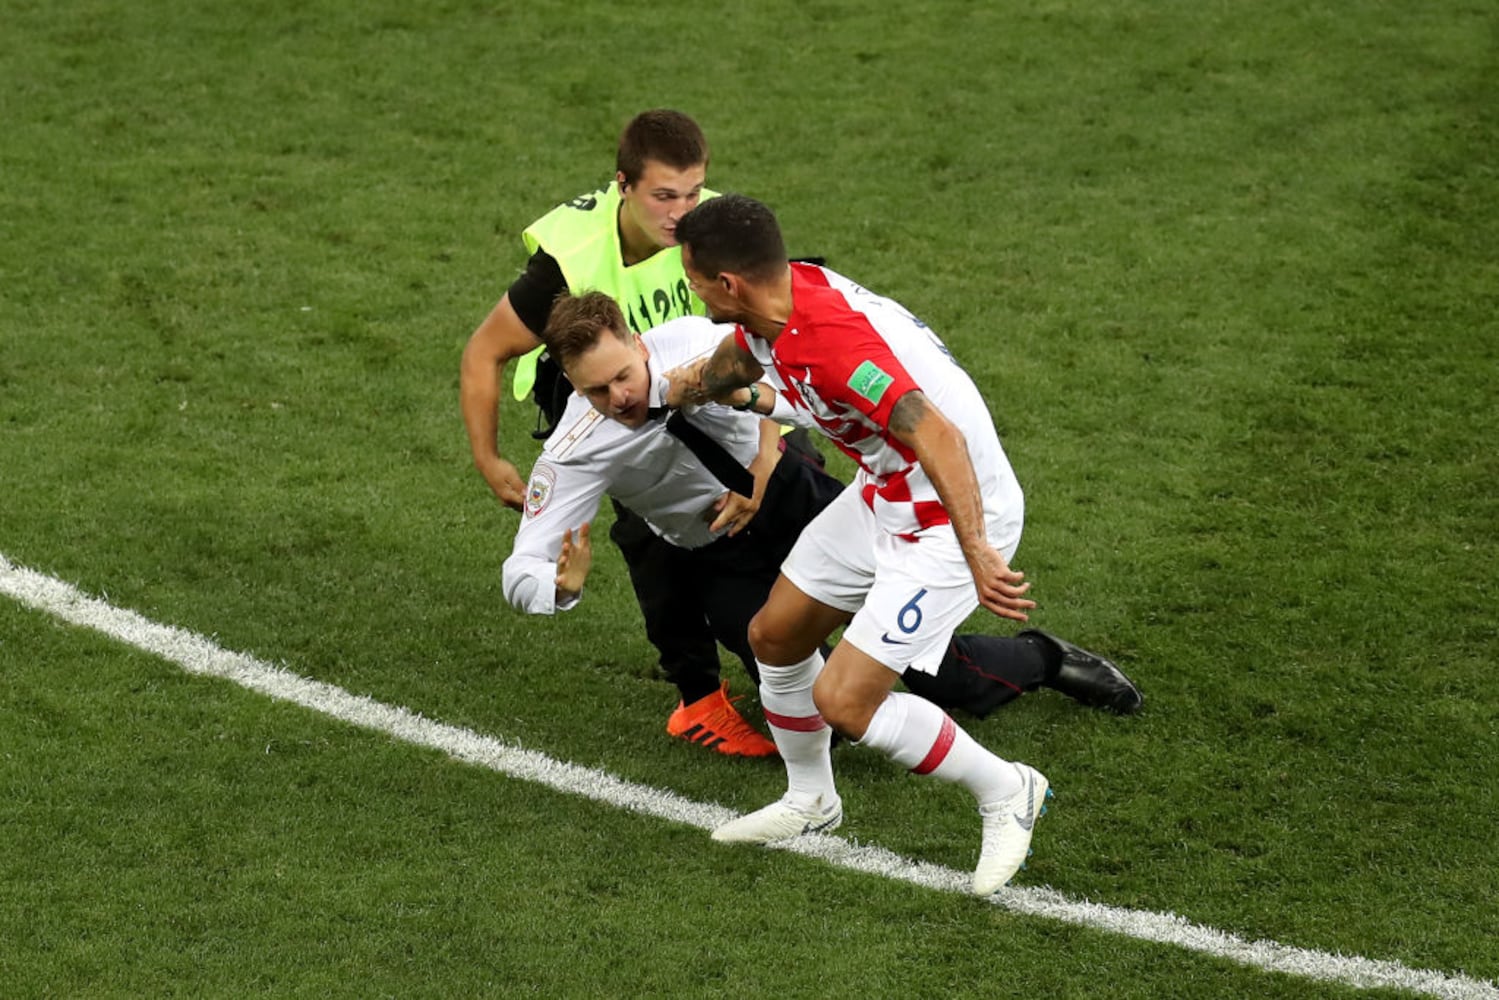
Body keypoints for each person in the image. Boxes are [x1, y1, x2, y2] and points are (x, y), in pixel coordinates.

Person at [665, 193, 1100, 893]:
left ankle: (1007, 789)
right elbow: (738, 360)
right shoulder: (777, 305)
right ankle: (812, 801)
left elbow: (938, 436)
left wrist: (979, 549)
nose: (689, 289)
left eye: (692, 279)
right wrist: (675, 388)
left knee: (844, 700)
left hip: (951, 516)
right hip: (886, 493)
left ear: (728, 285)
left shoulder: (832, 344)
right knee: (774, 637)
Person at [501, 292, 1141, 759]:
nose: (619, 399)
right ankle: (825, 778)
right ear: (572, 390)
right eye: (595, 392)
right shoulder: (572, 452)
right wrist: (561, 587)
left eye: (622, 376)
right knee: (817, 718)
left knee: (921, 670)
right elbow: (519, 570)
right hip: (715, 557)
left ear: (639, 344)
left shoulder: (699, 343)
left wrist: (762, 456)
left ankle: (1043, 659)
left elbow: (798, 388)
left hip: (796, 500)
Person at [460, 109, 771, 755]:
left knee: (780, 499)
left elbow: (773, 332)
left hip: (711, 396)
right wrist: (489, 459)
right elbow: (484, 351)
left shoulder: (713, 228)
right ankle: (699, 698)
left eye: (691, 193)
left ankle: (810, 665)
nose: (681, 214)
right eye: (663, 196)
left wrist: (769, 451)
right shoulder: (568, 261)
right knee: (653, 534)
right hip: (616, 410)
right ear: (623, 185)